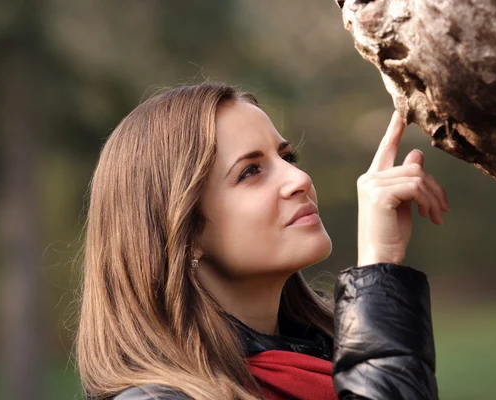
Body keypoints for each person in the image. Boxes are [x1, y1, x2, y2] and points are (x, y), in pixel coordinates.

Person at [76, 82, 448, 400]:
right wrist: (377, 268)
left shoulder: (333, 361)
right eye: (251, 171)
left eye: (287, 157)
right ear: (183, 232)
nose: (298, 179)